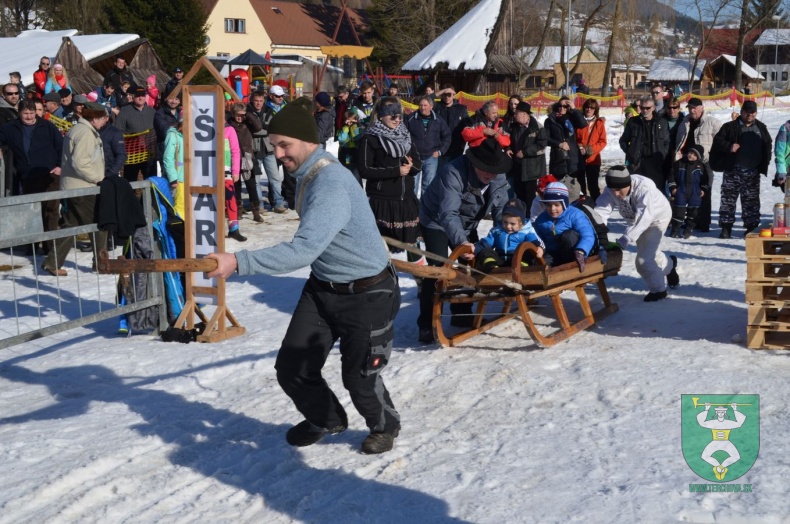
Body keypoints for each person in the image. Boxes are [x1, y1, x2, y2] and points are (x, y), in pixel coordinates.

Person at [206, 97, 402, 454]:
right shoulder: (307, 175)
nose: (278, 154)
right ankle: (326, 418)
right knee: (293, 366)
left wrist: (238, 262)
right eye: (274, 146)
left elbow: (302, 250)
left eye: (285, 145)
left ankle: (385, 425)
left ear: (309, 142)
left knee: (359, 376)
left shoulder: (329, 183)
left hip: (368, 293)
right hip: (324, 287)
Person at [417, 138, 512, 343]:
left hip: (469, 223)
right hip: (436, 221)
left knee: (468, 266)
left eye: (492, 170)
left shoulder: (498, 175)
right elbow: (448, 214)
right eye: (484, 169)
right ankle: (426, 323)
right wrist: (462, 242)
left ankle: (462, 314)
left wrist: (505, 234)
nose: (489, 174)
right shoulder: (453, 173)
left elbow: (501, 210)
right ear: (474, 164)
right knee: (439, 268)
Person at [41, 103, 108, 276]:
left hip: (74, 186)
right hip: (84, 188)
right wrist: (98, 179)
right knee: (100, 223)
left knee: (71, 225)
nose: (105, 122)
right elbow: (80, 162)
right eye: (103, 118)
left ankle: (52, 262)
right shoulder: (86, 133)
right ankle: (102, 263)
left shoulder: (79, 129)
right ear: (94, 118)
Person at [594, 166, 679, 301]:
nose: (615, 194)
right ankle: (670, 264)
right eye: (612, 190)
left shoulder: (644, 189)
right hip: (635, 220)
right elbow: (601, 211)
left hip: (657, 219)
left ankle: (659, 291)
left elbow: (644, 218)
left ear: (628, 184)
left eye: (619, 190)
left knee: (643, 260)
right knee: (650, 252)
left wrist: (627, 237)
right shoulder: (611, 189)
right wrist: (597, 234)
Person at [357, 96, 422, 248]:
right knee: (381, 247)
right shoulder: (370, 138)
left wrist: (412, 167)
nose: (397, 120)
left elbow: (418, 164)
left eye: (399, 116)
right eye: (392, 116)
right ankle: (383, 272)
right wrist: (395, 171)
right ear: (381, 116)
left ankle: (418, 271)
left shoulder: (405, 135)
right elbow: (364, 170)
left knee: (412, 244)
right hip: (382, 200)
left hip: (406, 200)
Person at [711, 100, 772, 238]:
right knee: (728, 200)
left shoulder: (761, 127)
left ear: (756, 113)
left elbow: (768, 144)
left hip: (753, 172)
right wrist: (729, 146)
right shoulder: (730, 127)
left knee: (751, 201)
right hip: (733, 170)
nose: (749, 115)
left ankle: (751, 227)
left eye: (752, 112)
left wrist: (764, 162)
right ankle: (726, 228)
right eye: (747, 112)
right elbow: (718, 141)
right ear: (741, 111)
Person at [674, 97, 722, 233]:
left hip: (705, 163)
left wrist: (714, 156)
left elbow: (722, 141)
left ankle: (704, 223)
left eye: (695, 107)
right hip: (687, 162)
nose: (692, 110)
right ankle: (691, 221)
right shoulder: (684, 122)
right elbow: (679, 141)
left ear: (702, 108)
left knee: (704, 192)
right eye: (690, 108)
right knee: (688, 192)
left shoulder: (712, 122)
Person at [533, 182, 596, 271]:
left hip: (572, 252)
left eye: (556, 205)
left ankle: (572, 264)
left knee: (568, 235)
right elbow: (537, 237)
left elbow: (588, 235)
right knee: (539, 267)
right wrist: (539, 247)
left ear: (564, 204)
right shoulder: (541, 219)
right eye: (549, 205)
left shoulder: (575, 215)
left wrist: (581, 250)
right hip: (552, 253)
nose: (552, 209)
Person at [475, 198, 545, 272]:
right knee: (486, 251)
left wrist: (538, 247)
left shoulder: (526, 232)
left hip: (517, 260)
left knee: (527, 253)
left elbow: (534, 241)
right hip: (500, 261)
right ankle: (492, 268)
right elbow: (486, 243)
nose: (508, 226)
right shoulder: (497, 231)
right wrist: (475, 249)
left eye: (512, 224)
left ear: (521, 223)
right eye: (505, 222)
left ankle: (522, 268)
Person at [246, 90, 287, 214]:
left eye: (260, 101)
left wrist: (261, 128)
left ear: (264, 101)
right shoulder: (247, 113)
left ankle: (278, 203)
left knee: (274, 178)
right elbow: (251, 131)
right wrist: (263, 128)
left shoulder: (269, 112)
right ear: (252, 101)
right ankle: (260, 205)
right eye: (256, 101)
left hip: (269, 149)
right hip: (254, 150)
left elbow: (272, 129)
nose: (258, 103)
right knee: (256, 180)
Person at [619, 95, 670, 192]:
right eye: (642, 108)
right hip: (637, 162)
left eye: (648, 108)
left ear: (653, 108)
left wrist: (663, 154)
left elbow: (667, 141)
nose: (645, 110)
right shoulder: (633, 122)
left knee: (656, 191)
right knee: (637, 191)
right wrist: (630, 152)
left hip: (655, 163)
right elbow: (623, 140)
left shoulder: (662, 122)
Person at [405, 94, 450, 196]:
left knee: (428, 185)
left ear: (431, 106)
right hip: (414, 157)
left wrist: (440, 151)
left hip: (431, 157)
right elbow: (404, 136)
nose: (422, 108)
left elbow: (447, 136)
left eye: (425, 105)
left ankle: (426, 208)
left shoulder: (438, 120)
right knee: (413, 185)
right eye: (420, 105)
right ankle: (414, 208)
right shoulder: (411, 118)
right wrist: (408, 153)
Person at [506, 101, 546, 209]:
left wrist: (525, 152)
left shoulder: (537, 127)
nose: (514, 115)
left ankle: (529, 220)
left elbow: (542, 146)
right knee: (519, 195)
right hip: (517, 167)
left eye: (517, 113)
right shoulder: (513, 127)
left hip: (531, 169)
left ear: (524, 114)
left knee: (530, 198)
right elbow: (508, 141)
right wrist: (508, 148)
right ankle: (521, 218)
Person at [227, 102, 262, 224]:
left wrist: (248, 114)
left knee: (251, 185)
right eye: (237, 115)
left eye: (242, 115)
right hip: (233, 158)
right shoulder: (229, 124)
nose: (239, 118)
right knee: (236, 186)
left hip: (247, 157)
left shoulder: (247, 123)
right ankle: (238, 210)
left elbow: (258, 126)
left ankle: (256, 212)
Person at [544, 96, 585, 200]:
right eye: (560, 106)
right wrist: (559, 144)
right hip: (558, 158)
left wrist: (574, 109)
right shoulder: (550, 120)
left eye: (565, 106)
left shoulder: (572, 118)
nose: (562, 108)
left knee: (575, 189)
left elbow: (583, 124)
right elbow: (545, 139)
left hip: (573, 157)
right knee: (558, 190)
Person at [115, 85, 157, 181]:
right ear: (133, 96)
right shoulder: (124, 111)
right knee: (130, 182)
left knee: (152, 182)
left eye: (142, 95)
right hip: (132, 154)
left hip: (149, 154)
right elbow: (118, 131)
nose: (140, 98)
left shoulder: (152, 111)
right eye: (138, 95)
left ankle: (148, 197)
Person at [668, 145, 708, 239]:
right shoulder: (679, 163)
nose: (691, 156)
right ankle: (675, 229)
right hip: (681, 190)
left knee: (693, 212)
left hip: (695, 191)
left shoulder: (700, 166)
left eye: (694, 155)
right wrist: (673, 187)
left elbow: (705, 179)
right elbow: (671, 176)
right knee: (678, 211)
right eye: (690, 153)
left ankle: (689, 229)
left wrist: (703, 189)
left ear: (698, 157)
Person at [575, 97, 607, 202]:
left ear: (595, 110)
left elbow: (603, 141)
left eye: (592, 108)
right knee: (580, 186)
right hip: (579, 159)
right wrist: (579, 147)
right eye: (587, 107)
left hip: (593, 159)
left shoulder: (599, 123)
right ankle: (582, 205)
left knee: (593, 186)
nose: (589, 109)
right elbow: (575, 138)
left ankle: (597, 207)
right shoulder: (578, 122)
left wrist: (591, 150)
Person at [223, 114, 247, 242]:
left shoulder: (229, 130)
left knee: (231, 199)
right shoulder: (206, 130)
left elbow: (235, 151)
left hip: (226, 171)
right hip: (209, 172)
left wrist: (235, 171)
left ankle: (234, 229)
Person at [434, 84, 469, 164]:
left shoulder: (461, 109)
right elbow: (426, 99)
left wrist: (463, 143)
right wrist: (442, 91)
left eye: (449, 94)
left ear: (454, 94)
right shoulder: (436, 107)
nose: (447, 97)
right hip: (440, 148)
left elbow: (467, 126)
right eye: (444, 94)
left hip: (456, 147)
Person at [162, 118, 184, 217]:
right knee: (179, 208)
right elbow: (168, 158)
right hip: (178, 179)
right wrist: (173, 178)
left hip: (189, 178)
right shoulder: (173, 136)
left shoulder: (192, 136)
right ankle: (180, 230)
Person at [337, 109, 362, 183]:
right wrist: (346, 128)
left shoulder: (357, 129)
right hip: (344, 153)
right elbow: (342, 139)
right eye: (348, 121)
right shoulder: (343, 129)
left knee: (356, 175)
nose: (350, 123)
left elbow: (357, 139)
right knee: (345, 173)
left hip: (354, 153)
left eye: (352, 121)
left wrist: (354, 128)